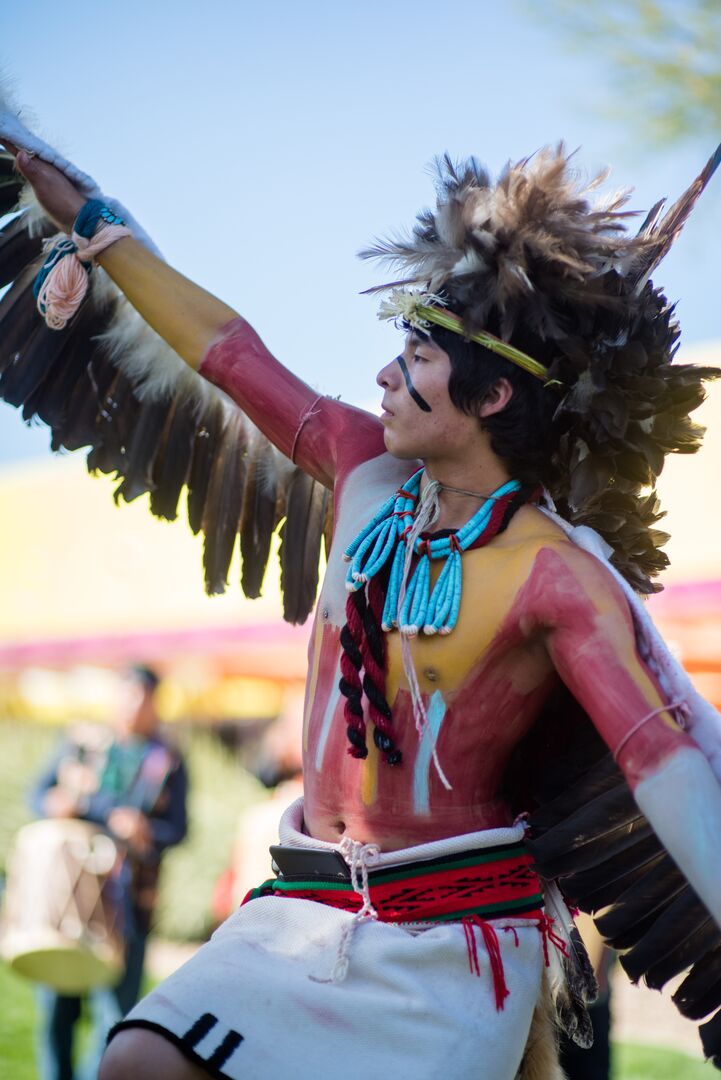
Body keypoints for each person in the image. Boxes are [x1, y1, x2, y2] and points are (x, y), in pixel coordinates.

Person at [5, 128, 721, 1080]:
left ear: (494, 393)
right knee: (135, 1061)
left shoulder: (556, 577)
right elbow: (228, 352)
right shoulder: (360, 470)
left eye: (418, 355)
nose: (385, 373)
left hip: (454, 942)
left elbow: (663, 766)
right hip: (301, 909)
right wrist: (94, 224)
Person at [29, 665, 188, 1080]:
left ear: (155, 703)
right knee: (58, 1009)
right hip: (70, 900)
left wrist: (145, 831)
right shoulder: (79, 743)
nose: (133, 706)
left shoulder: (168, 759)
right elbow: (39, 795)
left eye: (143, 698)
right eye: (128, 695)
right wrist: (60, 803)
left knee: (114, 1016)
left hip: (129, 903)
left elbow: (179, 829)